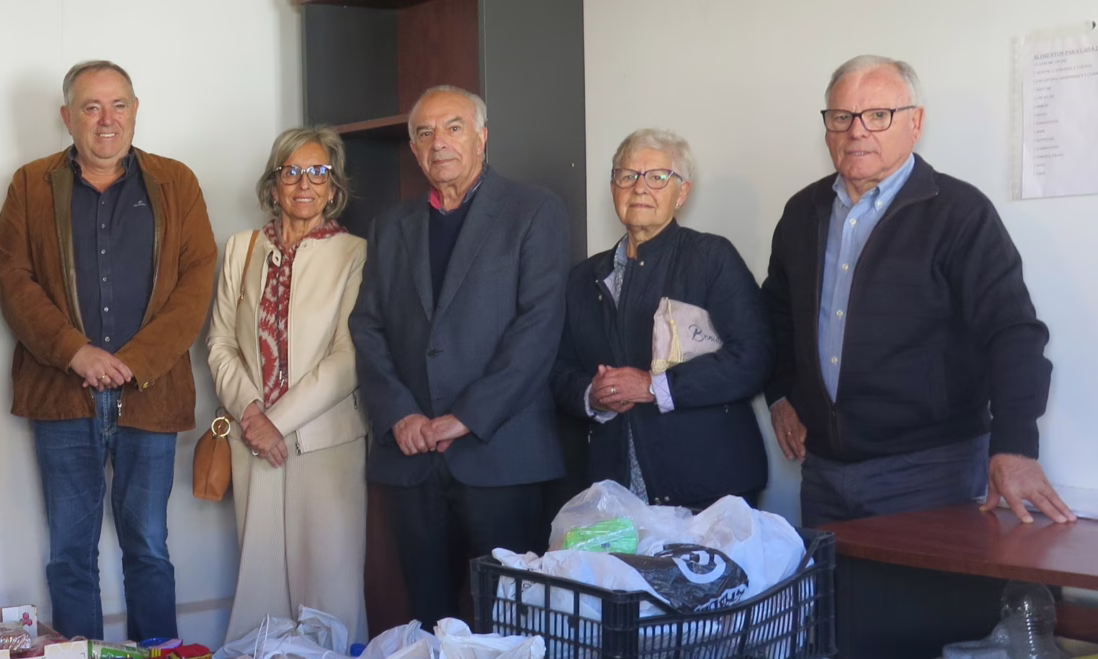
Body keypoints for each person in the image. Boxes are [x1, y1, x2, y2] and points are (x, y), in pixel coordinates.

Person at [765, 55, 1072, 526]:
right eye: (842, 116)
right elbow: (778, 315)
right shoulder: (802, 212)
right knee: (834, 599)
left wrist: (1015, 446)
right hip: (823, 472)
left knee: (924, 602)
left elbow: (1013, 331)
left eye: (878, 115)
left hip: (929, 472)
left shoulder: (959, 213)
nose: (857, 131)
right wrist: (780, 395)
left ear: (916, 123)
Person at [0, 60, 217, 642]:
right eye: (91, 107)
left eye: (118, 105)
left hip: (153, 393)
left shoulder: (177, 183)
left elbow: (197, 283)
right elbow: (14, 280)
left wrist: (136, 363)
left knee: (149, 546)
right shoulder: (30, 184)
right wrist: (76, 352)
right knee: (71, 552)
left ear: (136, 111)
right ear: (67, 117)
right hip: (63, 394)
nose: (106, 119)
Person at [350, 85, 570, 629]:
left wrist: (467, 416)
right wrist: (399, 413)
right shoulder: (391, 226)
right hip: (414, 458)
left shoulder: (534, 210)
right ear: (414, 148)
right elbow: (368, 326)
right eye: (424, 133)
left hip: (501, 455)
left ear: (482, 137)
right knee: (429, 623)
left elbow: (538, 328)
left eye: (453, 127)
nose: (438, 143)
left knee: (513, 624)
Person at [552, 129, 773, 509]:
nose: (640, 188)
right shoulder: (582, 277)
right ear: (613, 187)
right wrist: (593, 395)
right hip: (612, 490)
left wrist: (655, 386)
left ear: (682, 192)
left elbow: (754, 356)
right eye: (627, 176)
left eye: (657, 177)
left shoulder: (710, 258)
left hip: (710, 485)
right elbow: (557, 370)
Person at [206, 127, 368, 641]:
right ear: (273, 185)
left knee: (330, 591)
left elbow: (348, 358)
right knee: (260, 590)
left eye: (318, 172)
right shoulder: (241, 248)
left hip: (324, 444)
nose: (305, 184)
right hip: (252, 443)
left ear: (333, 187)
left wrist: (274, 422)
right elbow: (219, 343)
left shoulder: (355, 253)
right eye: (292, 171)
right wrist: (253, 416)